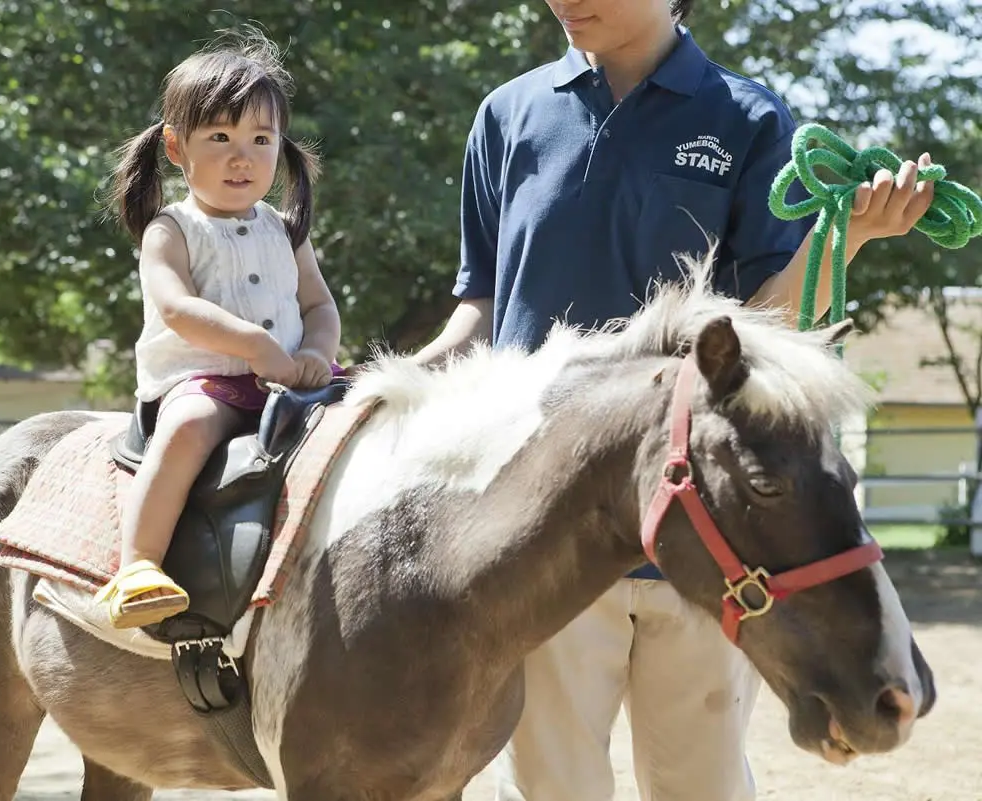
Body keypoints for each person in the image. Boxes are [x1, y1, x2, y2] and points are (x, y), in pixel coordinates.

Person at [409, 1, 936, 799]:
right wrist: (387, 386)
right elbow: (482, 308)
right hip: (543, 531)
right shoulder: (507, 114)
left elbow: (769, 329)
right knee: (556, 785)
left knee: (701, 784)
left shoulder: (750, 117)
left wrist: (850, 237)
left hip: (707, 543)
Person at [94, 32, 342, 630]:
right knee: (186, 431)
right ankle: (140, 566)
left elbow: (320, 306)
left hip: (285, 383)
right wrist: (256, 346)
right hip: (203, 381)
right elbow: (177, 308)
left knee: (365, 416)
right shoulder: (171, 230)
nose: (243, 157)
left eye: (261, 140)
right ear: (177, 148)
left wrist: (314, 351)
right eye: (221, 139)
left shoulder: (286, 229)